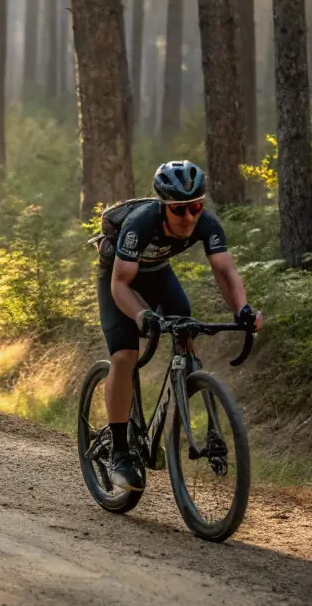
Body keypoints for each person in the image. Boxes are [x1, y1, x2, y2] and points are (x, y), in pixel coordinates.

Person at [96, 160, 262, 492]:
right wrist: (142, 316)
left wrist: (243, 308)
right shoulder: (140, 225)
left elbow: (225, 272)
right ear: (164, 207)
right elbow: (120, 286)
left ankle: (181, 398)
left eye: (196, 207)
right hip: (119, 280)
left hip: (158, 275)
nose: (189, 217)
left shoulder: (206, 223)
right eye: (180, 210)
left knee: (185, 328)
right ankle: (119, 450)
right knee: (126, 356)